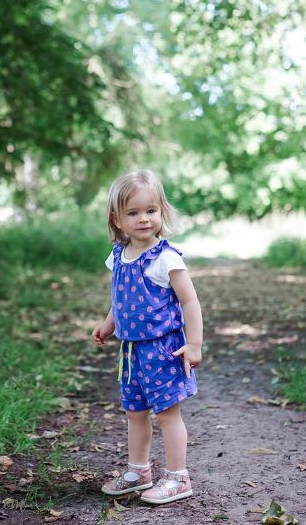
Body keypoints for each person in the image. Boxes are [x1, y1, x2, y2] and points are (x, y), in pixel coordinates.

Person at [91, 169, 203, 505]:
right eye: (133, 213)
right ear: (118, 219)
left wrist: (194, 343)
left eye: (151, 211)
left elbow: (189, 301)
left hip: (163, 348)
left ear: (162, 212)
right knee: (135, 412)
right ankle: (139, 471)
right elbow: (120, 299)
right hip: (130, 352)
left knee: (167, 413)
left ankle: (177, 478)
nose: (143, 219)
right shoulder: (119, 257)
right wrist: (109, 323)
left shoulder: (166, 258)